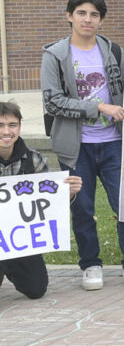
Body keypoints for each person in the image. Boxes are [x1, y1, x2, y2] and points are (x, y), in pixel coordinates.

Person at [43, 0, 124, 291]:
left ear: (101, 19)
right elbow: (52, 101)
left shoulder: (114, 51)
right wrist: (98, 107)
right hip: (75, 146)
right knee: (82, 208)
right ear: (69, 16)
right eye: (81, 13)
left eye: (94, 14)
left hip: (115, 142)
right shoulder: (54, 55)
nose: (87, 19)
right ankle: (90, 264)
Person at [0, 101, 82, 300]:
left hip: (20, 239)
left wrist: (68, 192)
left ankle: (11, 266)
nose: (6, 131)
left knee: (37, 289)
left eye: (12, 125)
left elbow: (49, 203)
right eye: (0, 125)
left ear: (19, 127)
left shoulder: (33, 159)